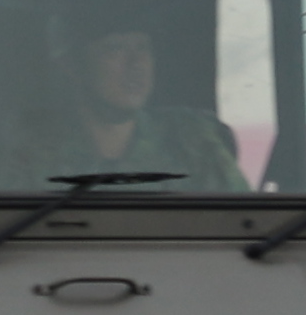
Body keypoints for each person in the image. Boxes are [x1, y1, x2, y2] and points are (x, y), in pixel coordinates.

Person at [34, 15, 243, 193]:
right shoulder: (38, 145)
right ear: (74, 66)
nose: (136, 64)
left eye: (143, 47)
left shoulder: (193, 139)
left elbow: (244, 221)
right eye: (115, 49)